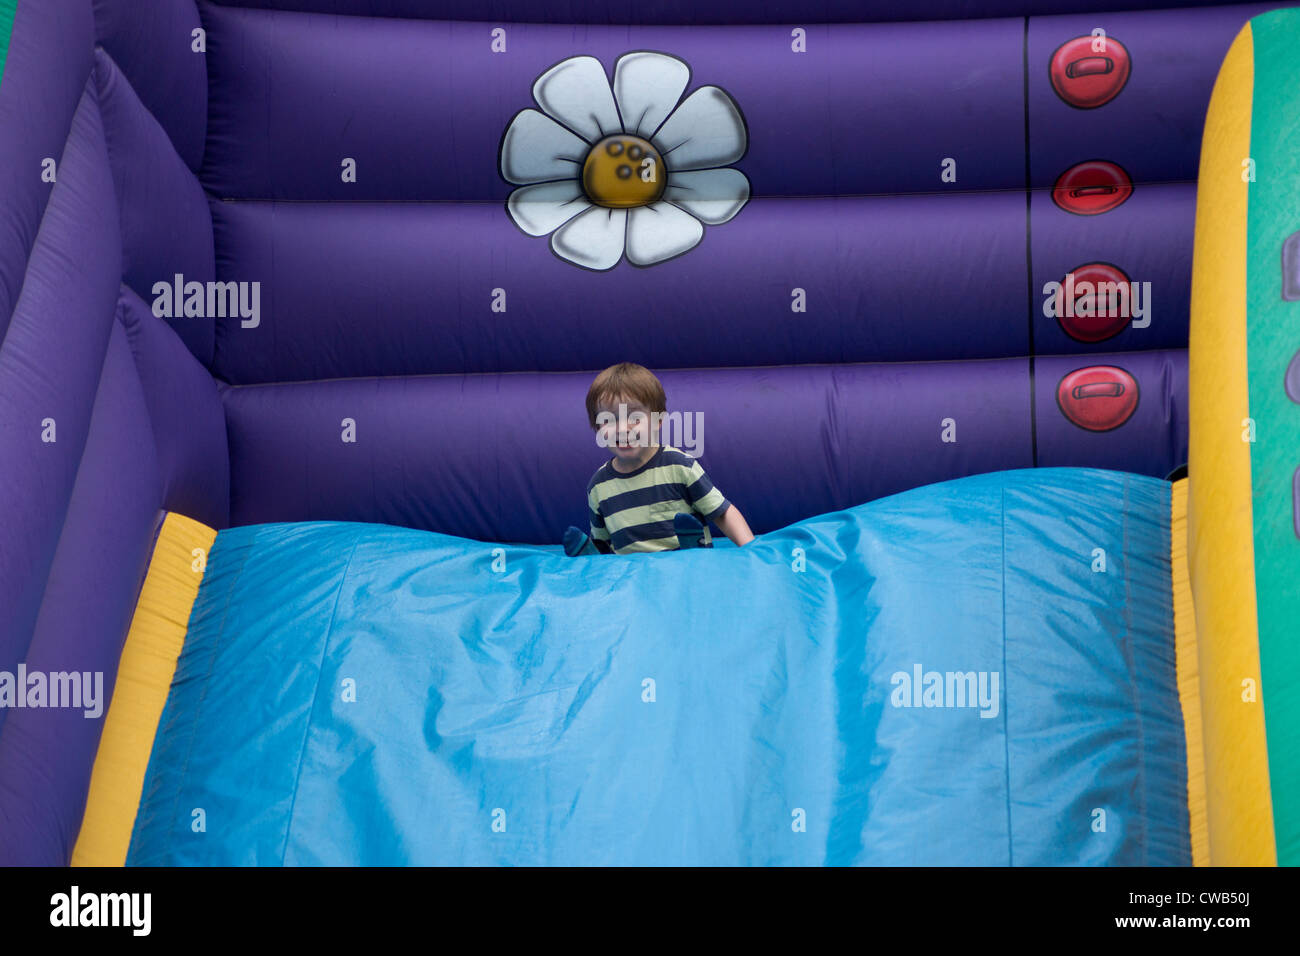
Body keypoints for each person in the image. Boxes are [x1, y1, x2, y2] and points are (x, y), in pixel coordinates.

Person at [564, 362, 755, 556]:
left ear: (659, 421)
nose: (622, 429)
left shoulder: (679, 466)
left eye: (635, 418)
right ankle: (590, 556)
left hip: (688, 570)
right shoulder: (598, 486)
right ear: (597, 429)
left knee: (689, 551)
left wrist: (751, 550)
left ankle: (692, 549)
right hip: (635, 575)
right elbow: (603, 539)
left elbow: (722, 513)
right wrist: (599, 554)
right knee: (601, 551)